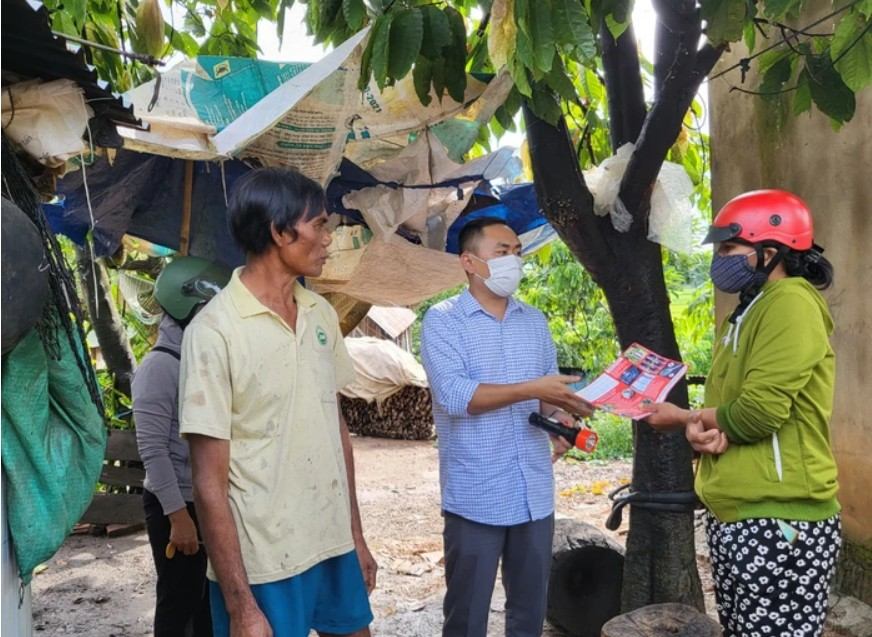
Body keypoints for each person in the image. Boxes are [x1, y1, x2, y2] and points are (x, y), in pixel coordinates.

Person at [178, 167, 377, 637]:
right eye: (320, 225)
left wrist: (356, 536)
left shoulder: (320, 312)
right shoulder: (214, 332)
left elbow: (336, 432)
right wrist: (241, 605)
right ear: (279, 231)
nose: (329, 239)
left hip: (331, 545)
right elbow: (208, 483)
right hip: (264, 563)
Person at [644, 190, 840, 637]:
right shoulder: (749, 309)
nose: (720, 258)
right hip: (741, 513)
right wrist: (708, 432)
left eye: (730, 248)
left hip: (779, 519)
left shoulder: (791, 303)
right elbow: (736, 411)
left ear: (769, 253)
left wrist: (680, 418)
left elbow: (757, 412)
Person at [420, 217, 594, 637]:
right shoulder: (444, 321)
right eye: (502, 252)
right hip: (476, 492)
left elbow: (544, 397)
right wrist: (531, 388)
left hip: (533, 490)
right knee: (467, 615)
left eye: (517, 252)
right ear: (470, 261)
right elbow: (457, 397)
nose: (513, 260)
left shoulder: (533, 322)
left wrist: (563, 418)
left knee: (529, 613)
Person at [134, 256, 231, 637]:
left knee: (206, 601)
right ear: (187, 307)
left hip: (200, 501)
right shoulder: (159, 367)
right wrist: (179, 518)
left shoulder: (194, 362)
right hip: (173, 504)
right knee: (178, 602)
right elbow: (153, 452)